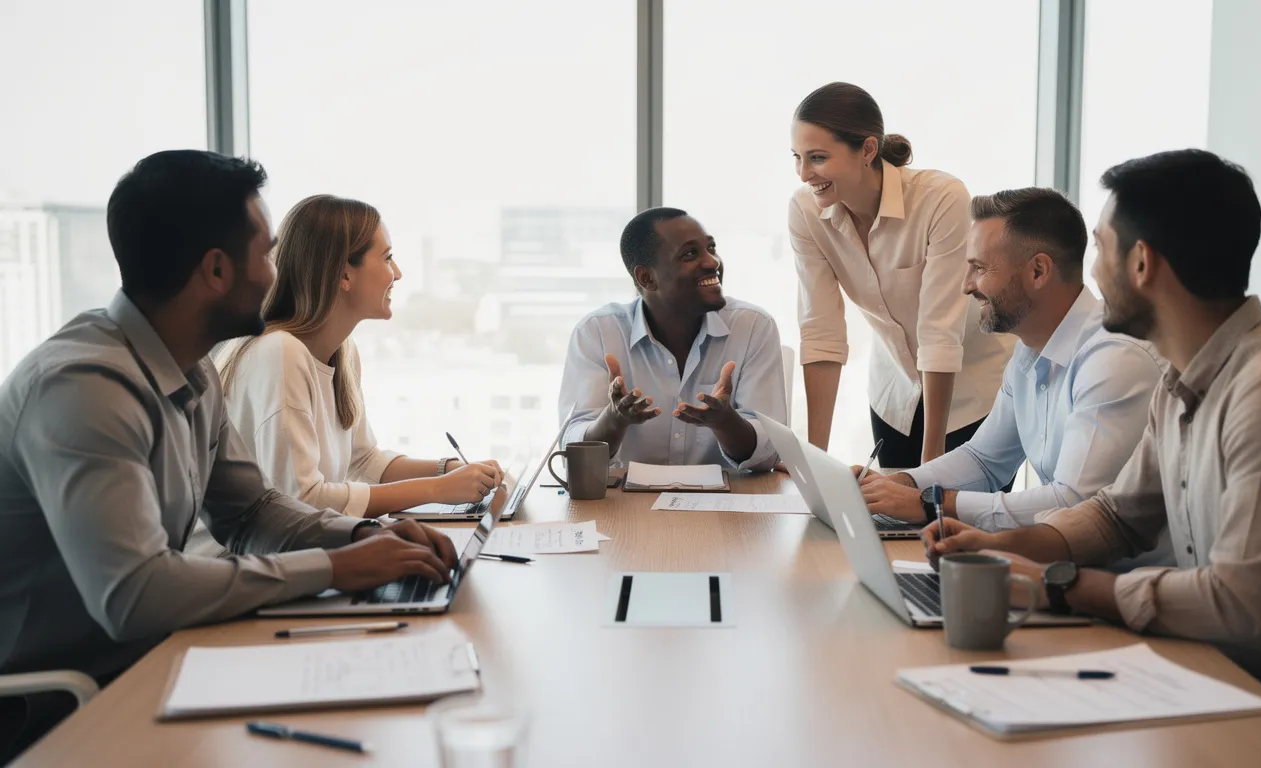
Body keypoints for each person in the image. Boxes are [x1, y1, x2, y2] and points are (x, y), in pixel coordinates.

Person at [0, 151, 461, 760]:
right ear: (217, 269)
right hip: (65, 703)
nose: (277, 273)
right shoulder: (84, 387)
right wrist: (337, 569)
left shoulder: (189, 369)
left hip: (159, 660)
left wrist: (363, 537)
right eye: (267, 253)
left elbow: (251, 513)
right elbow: (135, 595)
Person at [922, 150, 1261, 715]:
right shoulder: (1181, 380)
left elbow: (1245, 607)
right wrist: (1002, 550)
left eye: (1099, 247)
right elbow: (1116, 516)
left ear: (1141, 263)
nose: (1090, 272)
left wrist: (1059, 584)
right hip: (1202, 668)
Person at [858, 188, 1162, 532]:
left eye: (979, 268)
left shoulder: (1114, 359)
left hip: (1119, 580)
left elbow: (1073, 503)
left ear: (1038, 272)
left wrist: (933, 504)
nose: (966, 286)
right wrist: (899, 484)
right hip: (1060, 564)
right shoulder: (1028, 350)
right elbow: (984, 460)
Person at [217, 195, 502, 518]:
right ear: (344, 275)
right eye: (387, 258)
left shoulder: (342, 352)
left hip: (296, 551)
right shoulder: (280, 353)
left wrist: (450, 470)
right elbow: (301, 500)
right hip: (237, 561)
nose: (397, 273)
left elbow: (364, 463)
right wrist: (437, 490)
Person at [789, 82, 1012, 467]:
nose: (804, 174)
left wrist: (929, 469)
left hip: (973, 394)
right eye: (797, 157)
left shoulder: (940, 198)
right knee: (891, 525)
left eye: (818, 158)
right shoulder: (806, 211)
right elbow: (821, 333)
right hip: (895, 393)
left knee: (951, 520)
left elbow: (939, 334)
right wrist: (813, 462)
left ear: (868, 150)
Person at [558, 207, 786, 470]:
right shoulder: (597, 332)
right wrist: (614, 418)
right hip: (625, 508)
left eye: (711, 248)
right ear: (646, 277)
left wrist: (724, 421)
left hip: (726, 507)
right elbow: (571, 451)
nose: (712, 262)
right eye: (690, 254)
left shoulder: (754, 326)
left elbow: (769, 455)